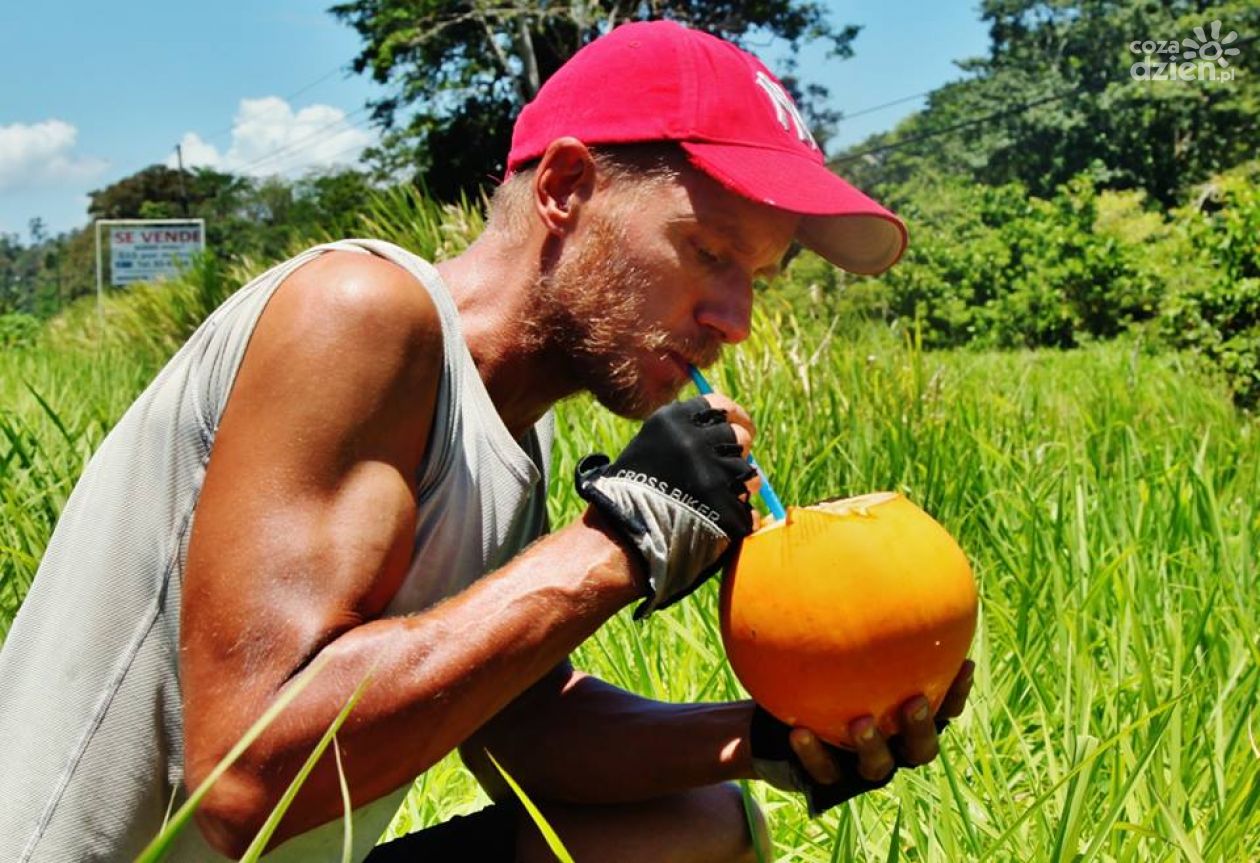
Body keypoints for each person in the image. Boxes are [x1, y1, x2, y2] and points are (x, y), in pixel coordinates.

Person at [0, 20, 973, 863]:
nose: (737, 318)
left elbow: (521, 733)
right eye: (710, 252)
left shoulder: (512, 435)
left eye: (757, 274)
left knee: (696, 825)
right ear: (565, 187)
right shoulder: (359, 314)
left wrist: (779, 738)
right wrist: (615, 543)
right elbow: (248, 771)